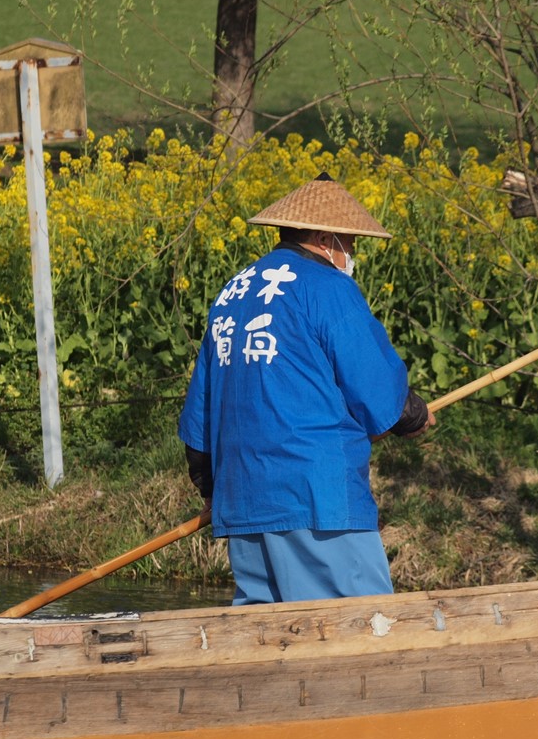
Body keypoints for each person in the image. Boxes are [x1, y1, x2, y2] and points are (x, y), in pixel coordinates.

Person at [178, 172, 435, 605]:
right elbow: (374, 386)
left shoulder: (232, 293)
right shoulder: (329, 288)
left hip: (243, 505)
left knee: (267, 645)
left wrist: (212, 489)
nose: (352, 253)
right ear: (324, 237)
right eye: (349, 242)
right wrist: (412, 415)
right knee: (359, 634)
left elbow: (200, 420)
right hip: (318, 503)